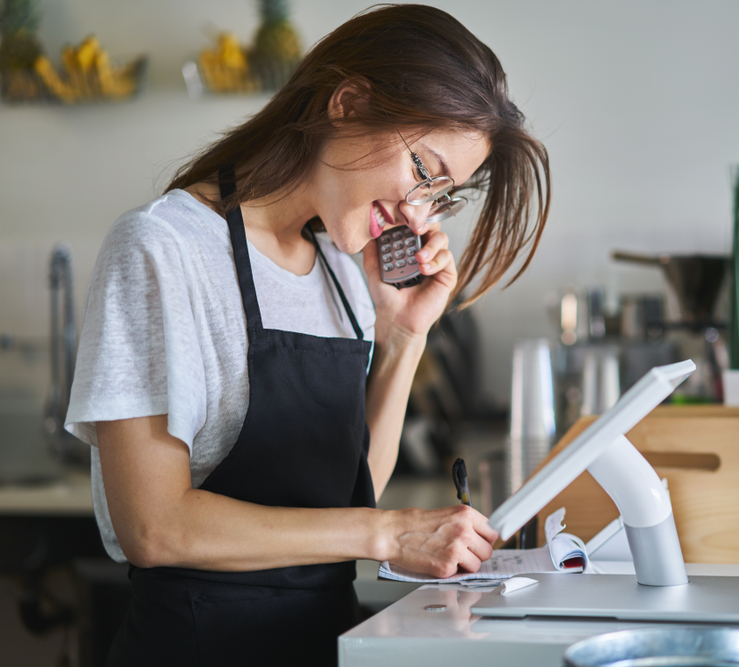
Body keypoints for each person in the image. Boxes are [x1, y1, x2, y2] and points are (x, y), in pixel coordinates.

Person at [64, 5, 550, 665]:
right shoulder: (161, 247)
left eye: (442, 196)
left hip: (326, 645)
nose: (418, 211)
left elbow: (352, 488)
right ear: (347, 103)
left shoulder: (343, 274)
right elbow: (155, 526)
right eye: (422, 171)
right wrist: (389, 533)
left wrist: (404, 337)